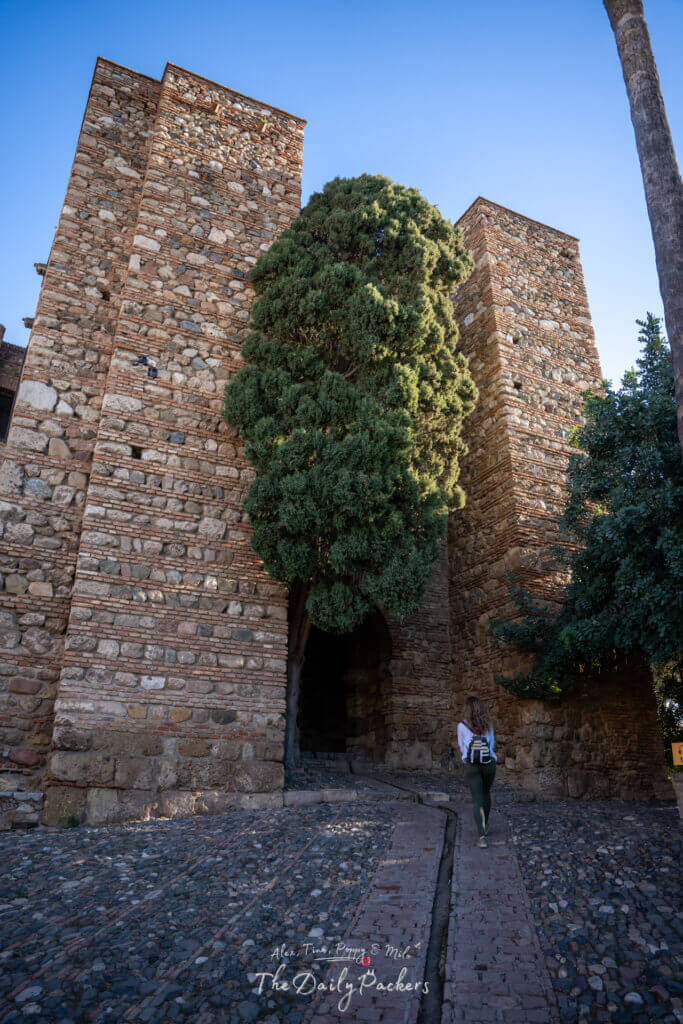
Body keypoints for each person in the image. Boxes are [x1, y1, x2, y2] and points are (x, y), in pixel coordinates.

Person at [457, 696, 497, 848]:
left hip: (472, 766)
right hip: (489, 764)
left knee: (477, 799)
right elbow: (491, 745)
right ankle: (485, 825)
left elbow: (462, 748)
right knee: (486, 794)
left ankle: (481, 837)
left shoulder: (461, 726)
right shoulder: (489, 725)